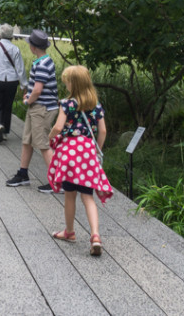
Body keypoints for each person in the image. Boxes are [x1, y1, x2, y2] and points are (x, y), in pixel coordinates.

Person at [47, 64, 113, 257]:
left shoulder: (66, 104)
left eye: (67, 82)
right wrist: (96, 149)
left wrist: (50, 136)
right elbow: (103, 131)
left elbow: (59, 128)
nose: (66, 85)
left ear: (73, 84)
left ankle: (69, 232)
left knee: (70, 195)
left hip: (70, 154)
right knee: (88, 196)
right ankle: (95, 236)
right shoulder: (96, 106)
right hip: (87, 153)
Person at [6, 29, 59, 193]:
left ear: (33, 47)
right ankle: (23, 174)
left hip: (41, 108)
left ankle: (56, 181)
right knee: (27, 140)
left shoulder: (42, 64)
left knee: (43, 143)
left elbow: (37, 90)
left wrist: (27, 99)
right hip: (37, 107)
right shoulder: (43, 61)